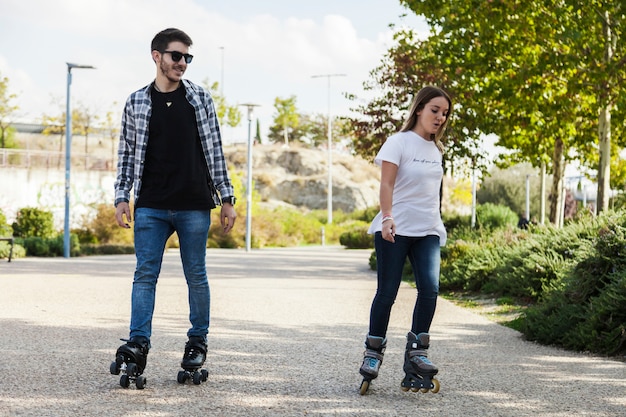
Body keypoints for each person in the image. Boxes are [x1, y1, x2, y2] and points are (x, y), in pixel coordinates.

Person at [110, 28, 237, 385]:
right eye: (176, 56)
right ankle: (138, 344)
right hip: (150, 204)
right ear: (157, 56)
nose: (183, 63)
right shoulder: (136, 101)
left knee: (195, 275)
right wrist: (122, 195)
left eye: (187, 58)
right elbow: (127, 153)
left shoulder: (199, 98)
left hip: (195, 203)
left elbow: (215, 151)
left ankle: (197, 341)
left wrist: (227, 198)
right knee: (144, 274)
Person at [359, 86, 451, 394]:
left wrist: (438, 223)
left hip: (427, 230)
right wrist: (387, 217)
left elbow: (432, 194)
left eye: (445, 113)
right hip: (395, 229)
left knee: (430, 289)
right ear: (420, 108)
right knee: (387, 292)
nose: (440, 117)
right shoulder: (397, 142)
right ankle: (373, 353)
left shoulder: (437, 151)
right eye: (435, 110)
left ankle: (417, 353)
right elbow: (386, 183)